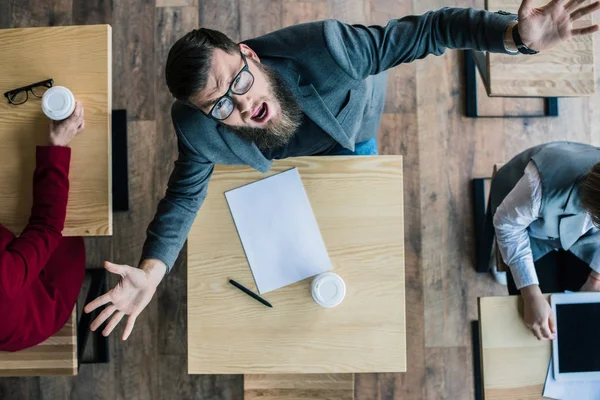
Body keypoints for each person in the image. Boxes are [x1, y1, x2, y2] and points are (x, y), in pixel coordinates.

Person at [84, 0, 600, 340]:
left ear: (248, 55)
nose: (240, 108)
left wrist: (515, 36)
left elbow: (429, 30)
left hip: (351, 129)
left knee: (356, 208)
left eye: (239, 83)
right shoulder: (197, 128)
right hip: (281, 157)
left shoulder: (332, 50)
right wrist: (153, 272)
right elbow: (183, 194)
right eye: (219, 106)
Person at [491, 142, 600, 341]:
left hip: (586, 236)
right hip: (530, 231)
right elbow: (507, 224)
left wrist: (595, 278)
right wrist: (531, 292)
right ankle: (501, 262)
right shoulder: (539, 185)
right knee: (537, 323)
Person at [0, 103, 86, 352]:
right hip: (47, 290)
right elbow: (46, 225)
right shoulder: (4, 280)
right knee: (74, 214)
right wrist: (57, 146)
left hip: (12, 298)